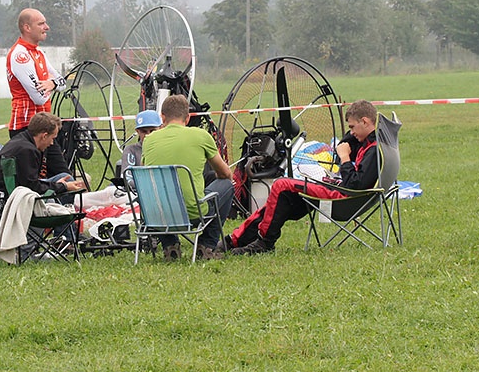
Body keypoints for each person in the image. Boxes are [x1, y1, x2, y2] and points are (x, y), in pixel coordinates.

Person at [223, 99, 380, 256]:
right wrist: (347, 146)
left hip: (345, 198)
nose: (351, 132)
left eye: (352, 127)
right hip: (343, 192)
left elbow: (354, 184)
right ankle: (235, 240)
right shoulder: (369, 142)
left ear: (365, 121)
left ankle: (264, 242)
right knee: (283, 198)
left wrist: (345, 157)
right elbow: (344, 151)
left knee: (281, 185)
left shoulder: (373, 150)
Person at [140, 95, 234, 261]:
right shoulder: (201, 136)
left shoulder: (148, 141)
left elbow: (144, 174)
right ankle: (206, 246)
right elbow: (225, 174)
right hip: (193, 212)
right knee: (226, 184)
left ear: (162, 117)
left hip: (158, 215)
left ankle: (170, 246)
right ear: (188, 117)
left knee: (160, 199)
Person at [0, 112, 85, 216]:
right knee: (41, 204)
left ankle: (63, 237)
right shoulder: (27, 150)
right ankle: (61, 237)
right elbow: (32, 188)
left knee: (64, 178)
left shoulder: (22, 141)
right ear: (44, 136)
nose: (52, 143)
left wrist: (57, 184)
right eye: (52, 138)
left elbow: (28, 184)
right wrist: (62, 187)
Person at [6, 8, 69, 179]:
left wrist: (52, 83)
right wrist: (53, 84)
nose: (46, 27)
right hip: (25, 126)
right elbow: (38, 96)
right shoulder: (20, 55)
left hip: (44, 123)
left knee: (63, 175)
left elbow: (63, 82)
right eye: (41, 23)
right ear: (27, 27)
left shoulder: (38, 52)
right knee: (34, 180)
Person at [120, 109, 162, 185]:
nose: (148, 135)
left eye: (152, 131)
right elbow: (127, 178)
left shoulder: (165, 148)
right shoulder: (131, 150)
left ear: (161, 128)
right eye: (144, 131)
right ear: (137, 131)